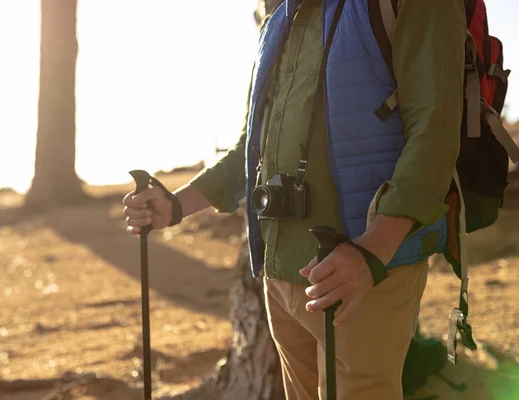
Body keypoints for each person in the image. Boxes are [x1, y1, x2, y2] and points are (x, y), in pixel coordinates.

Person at [122, 0, 466, 398]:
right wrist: (176, 205)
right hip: (282, 273)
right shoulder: (280, 19)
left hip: (361, 270)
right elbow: (251, 148)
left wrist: (372, 250)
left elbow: (435, 133)